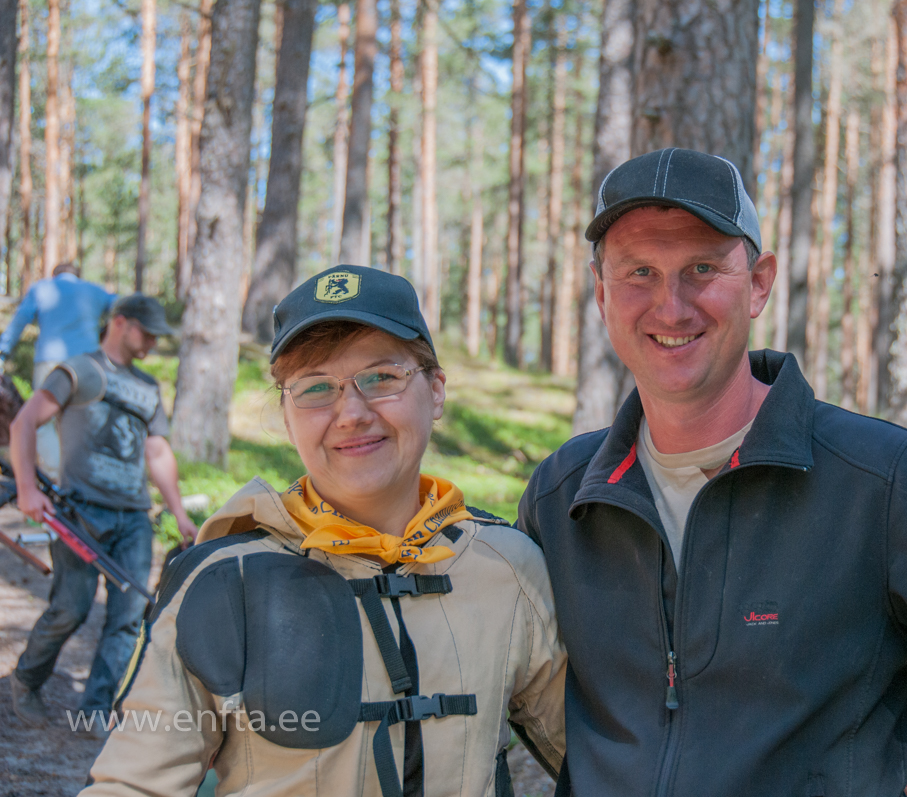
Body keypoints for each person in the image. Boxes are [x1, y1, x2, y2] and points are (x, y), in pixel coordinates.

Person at [518, 148, 907, 796]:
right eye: (639, 272)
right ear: (601, 293)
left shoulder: (885, 485)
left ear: (760, 281)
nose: (671, 305)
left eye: (702, 268)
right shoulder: (563, 498)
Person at [80, 266, 565, 797]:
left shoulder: (509, 568)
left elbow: (608, 757)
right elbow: (132, 784)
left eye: (381, 377)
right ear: (288, 417)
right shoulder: (223, 583)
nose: (351, 413)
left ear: (436, 390)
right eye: (315, 388)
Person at [8, 293, 198, 733]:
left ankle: (95, 708)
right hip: (80, 513)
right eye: (146, 332)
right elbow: (23, 423)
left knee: (129, 615)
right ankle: (27, 679)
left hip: (133, 516)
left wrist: (177, 511)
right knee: (70, 609)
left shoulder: (148, 387)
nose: (152, 341)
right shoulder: (78, 371)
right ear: (120, 323)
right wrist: (26, 489)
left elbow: (156, 450)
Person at [0, 261, 116, 480]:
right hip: (89, 365)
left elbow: (20, 320)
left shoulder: (42, 288)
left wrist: (3, 351)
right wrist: (105, 337)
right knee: (88, 421)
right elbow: (122, 308)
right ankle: (85, 479)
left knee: (43, 423)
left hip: (50, 363)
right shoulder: (95, 290)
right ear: (77, 275)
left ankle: (56, 481)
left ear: (55, 275)